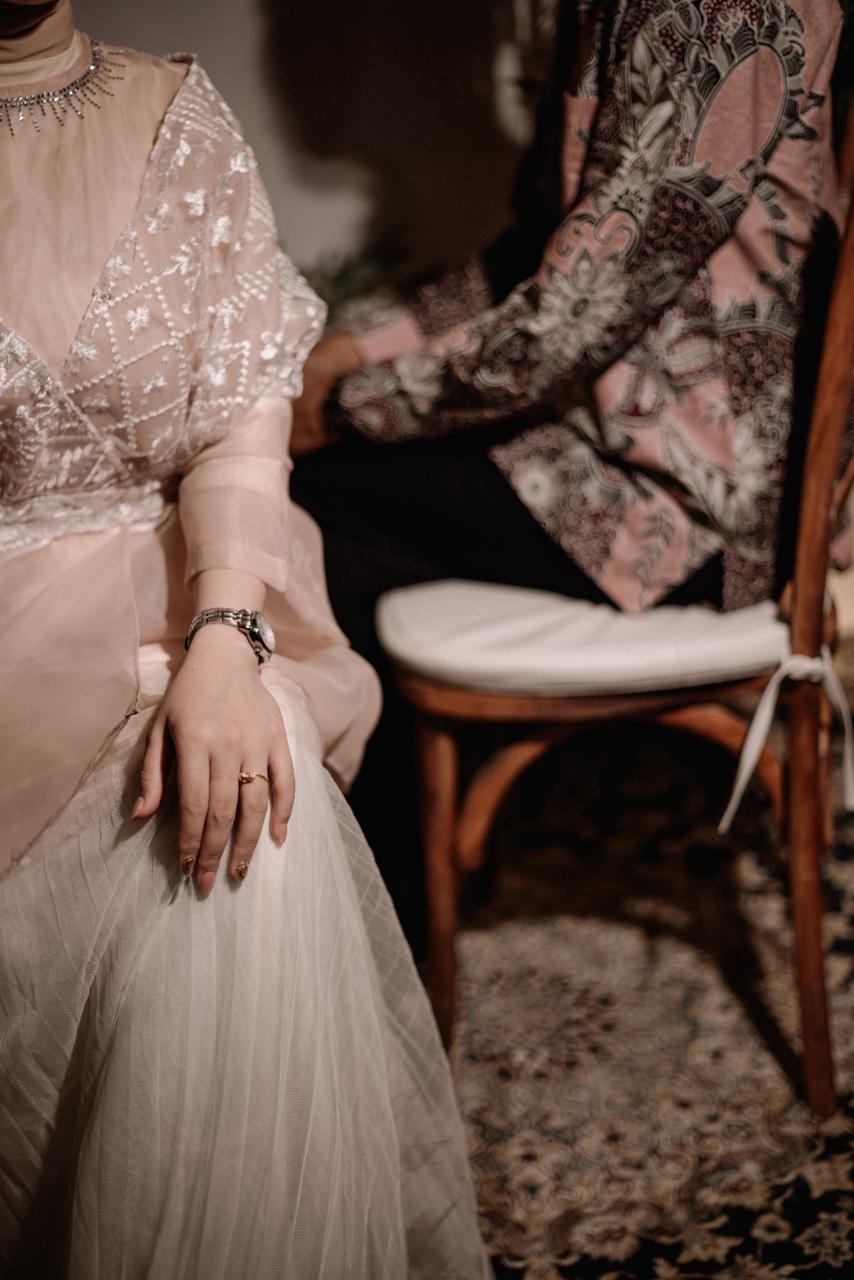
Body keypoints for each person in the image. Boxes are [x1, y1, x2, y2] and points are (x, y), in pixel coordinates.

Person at [0, 3, 491, 1276]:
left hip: (174, 600)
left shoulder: (175, 119)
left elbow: (236, 419)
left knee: (243, 808)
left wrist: (225, 641)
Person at [290, 0, 845, 949]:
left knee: (312, 512)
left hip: (700, 504)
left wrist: (341, 408)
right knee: (330, 486)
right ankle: (393, 889)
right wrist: (351, 351)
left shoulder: (721, 9)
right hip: (592, 433)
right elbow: (531, 256)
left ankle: (382, 944)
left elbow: (569, 320)